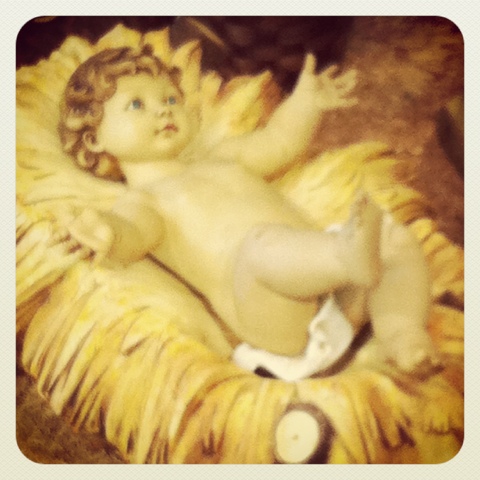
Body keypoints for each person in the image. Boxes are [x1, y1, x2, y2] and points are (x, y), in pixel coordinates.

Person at [59, 45, 439, 381]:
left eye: (171, 99)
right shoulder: (144, 201)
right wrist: (105, 231)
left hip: (333, 287)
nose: (163, 109)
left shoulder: (223, 158)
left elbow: (279, 142)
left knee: (393, 239)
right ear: (95, 138)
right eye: (137, 104)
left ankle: (402, 334)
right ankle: (346, 256)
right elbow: (132, 233)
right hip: (274, 313)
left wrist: (305, 104)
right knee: (261, 245)